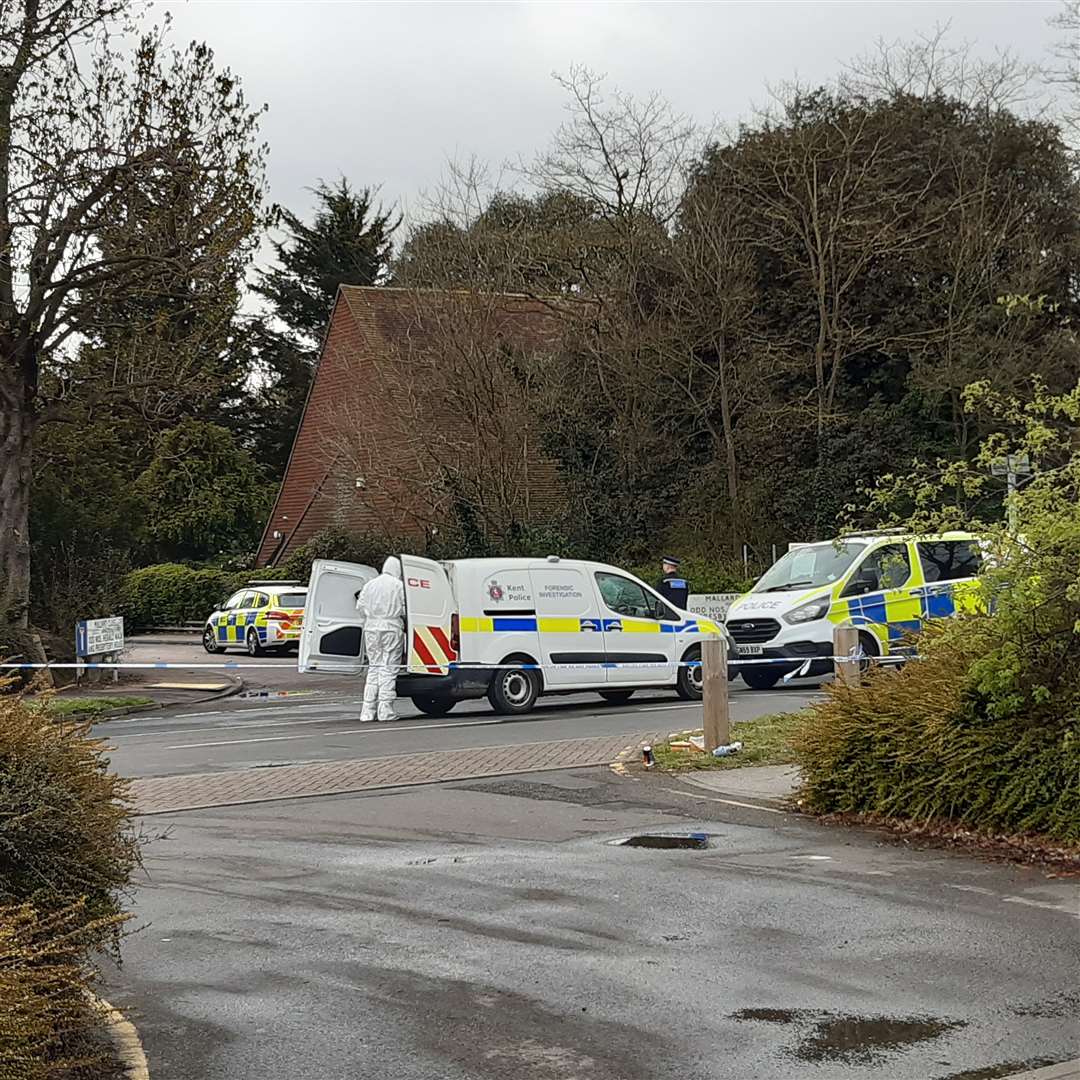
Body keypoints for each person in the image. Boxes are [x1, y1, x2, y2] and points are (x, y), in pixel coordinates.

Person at [355, 556, 406, 723]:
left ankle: (367, 711)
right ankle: (385, 710)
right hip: (391, 627)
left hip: (371, 628)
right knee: (388, 668)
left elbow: (360, 608)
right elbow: (406, 610)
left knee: (374, 668)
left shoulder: (370, 584)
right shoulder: (398, 586)